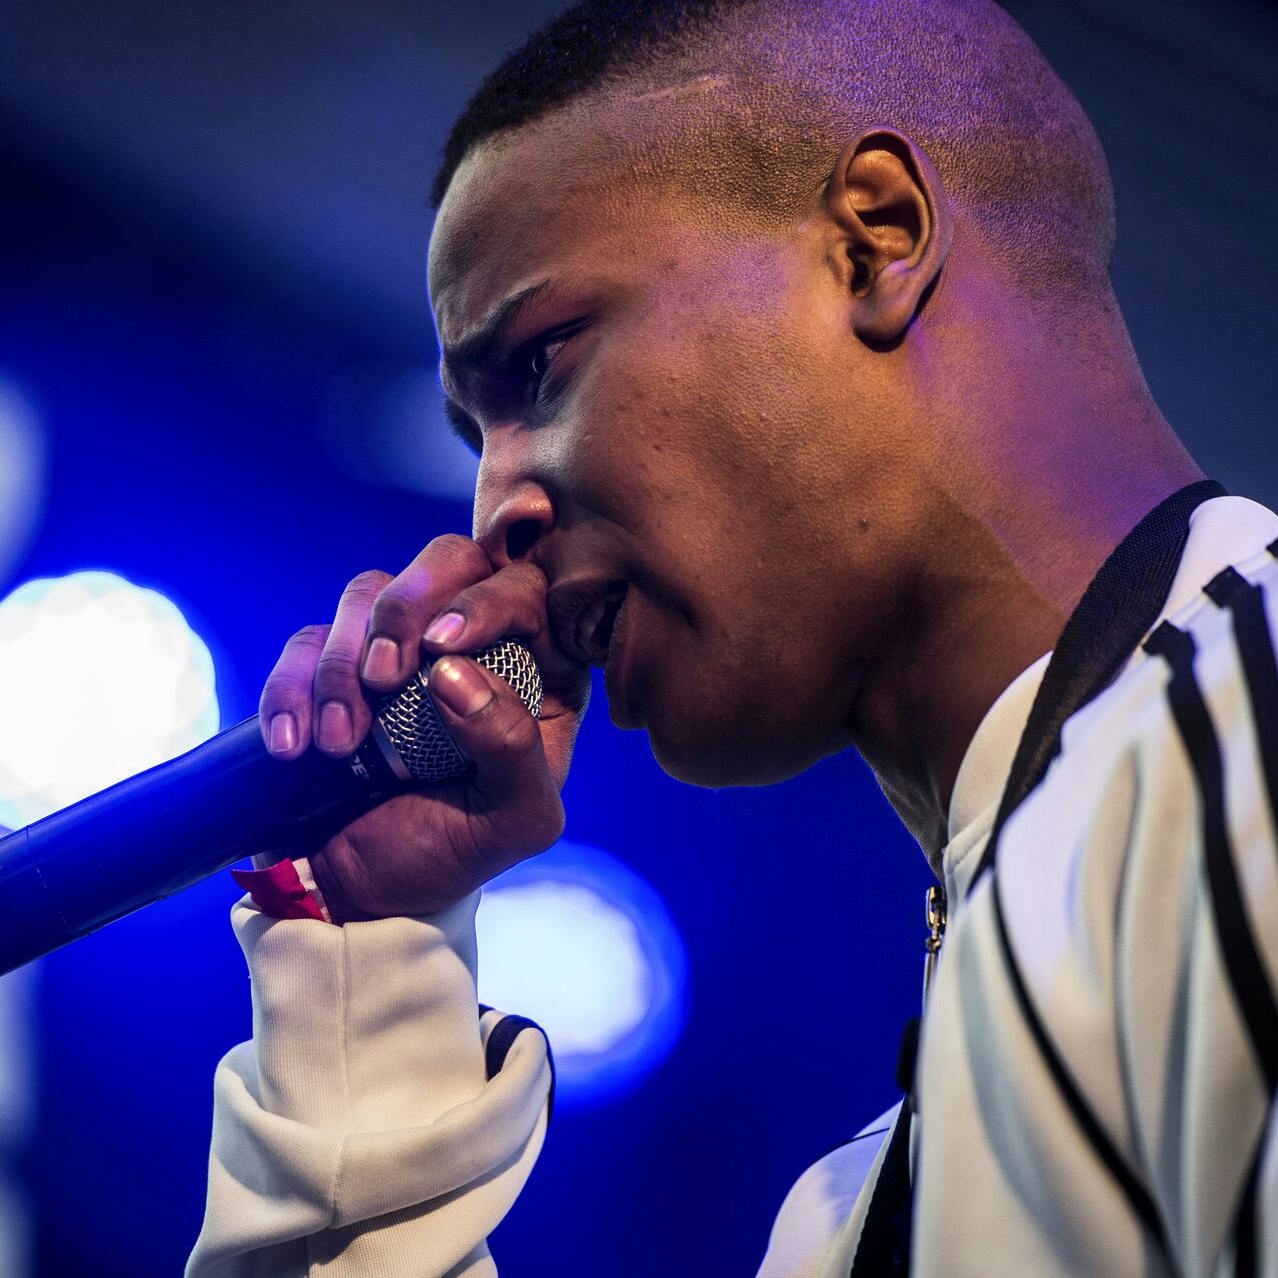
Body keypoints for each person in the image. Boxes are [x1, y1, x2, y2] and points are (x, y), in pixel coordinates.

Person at [186, 0, 1278, 1273]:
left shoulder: (1243, 733)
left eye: (540, 365)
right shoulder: (842, 1219)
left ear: (879, 238)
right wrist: (368, 971)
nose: (496, 509)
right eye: (475, 440)